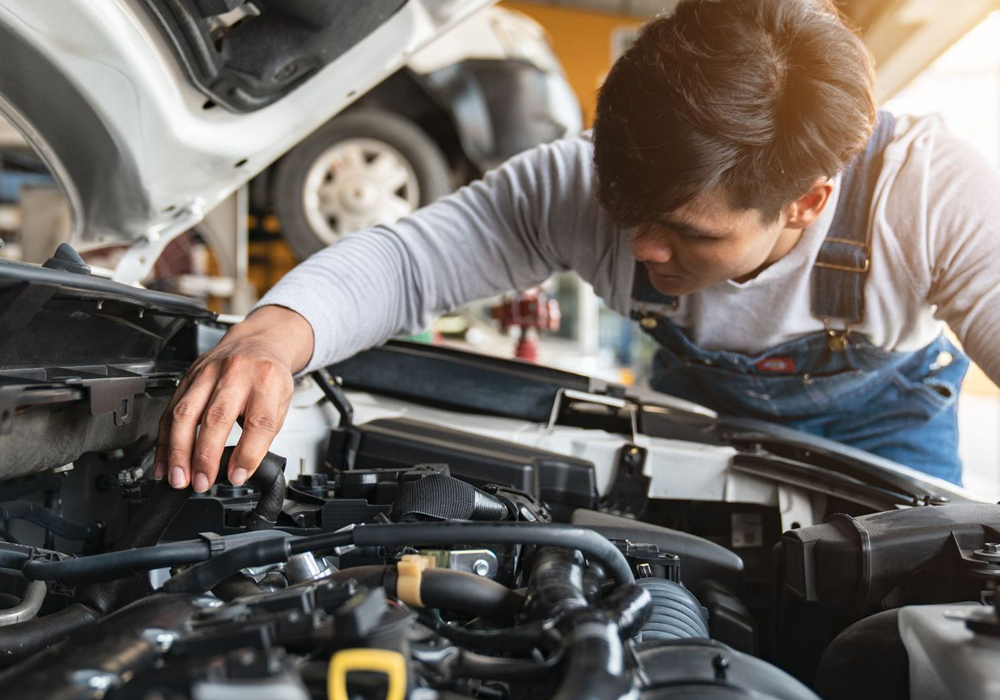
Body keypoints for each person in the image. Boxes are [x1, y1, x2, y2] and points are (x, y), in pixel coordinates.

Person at [153, 0, 1000, 491]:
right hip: (698, 427)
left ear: (807, 202)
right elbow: (407, 263)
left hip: (884, 438)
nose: (638, 245)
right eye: (624, 205)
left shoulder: (927, 195)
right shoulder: (575, 181)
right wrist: (273, 335)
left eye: (685, 231)